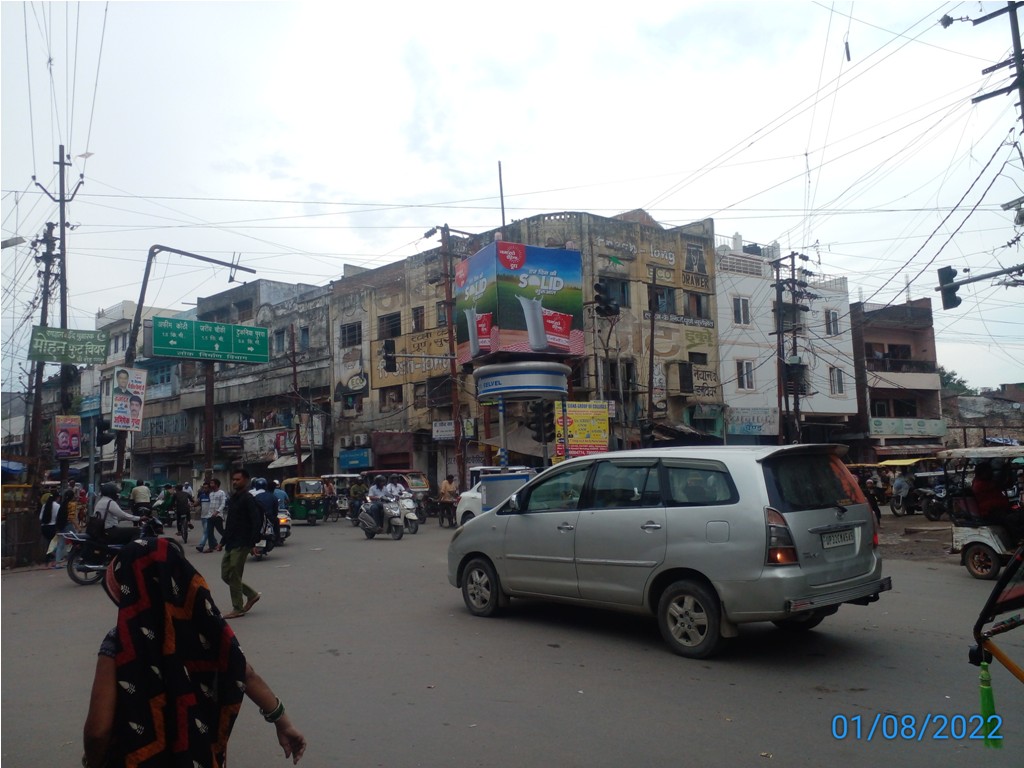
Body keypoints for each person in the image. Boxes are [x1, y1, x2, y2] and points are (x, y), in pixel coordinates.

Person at [82, 538, 306, 767]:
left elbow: (98, 732)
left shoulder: (120, 641)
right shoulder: (203, 630)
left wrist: (92, 762)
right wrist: (283, 722)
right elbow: (245, 672)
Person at [221, 469, 264, 619]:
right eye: (233, 479)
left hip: (243, 543)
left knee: (234, 574)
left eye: (238, 479)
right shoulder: (233, 498)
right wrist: (222, 541)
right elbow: (230, 522)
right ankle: (251, 594)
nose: (234, 482)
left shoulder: (248, 498)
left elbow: (256, 521)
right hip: (231, 543)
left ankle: (237, 608)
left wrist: (253, 543)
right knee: (225, 575)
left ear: (245, 481)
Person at [972, 461, 1024, 541]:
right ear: (982, 473)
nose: (991, 473)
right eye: (988, 471)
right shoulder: (980, 484)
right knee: (1012, 519)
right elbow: (999, 484)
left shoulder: (987, 482)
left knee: (1020, 514)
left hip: (1000, 509)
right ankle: (1018, 540)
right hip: (990, 513)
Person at [251, 477, 279, 543]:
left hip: (257, 517)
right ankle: (277, 539)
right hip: (269, 517)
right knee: (277, 521)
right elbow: (275, 511)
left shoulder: (257, 496)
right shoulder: (274, 497)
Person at [39, 491, 60, 563]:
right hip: (52, 527)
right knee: (56, 544)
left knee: (49, 543)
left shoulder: (44, 505)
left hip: (44, 528)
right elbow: (58, 518)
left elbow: (40, 518)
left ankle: (48, 559)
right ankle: (51, 558)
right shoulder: (57, 506)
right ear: (57, 498)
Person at [195, 481, 216, 553]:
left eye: (206, 488)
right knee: (209, 531)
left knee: (206, 532)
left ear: (209, 488)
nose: (205, 489)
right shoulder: (202, 496)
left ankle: (201, 545)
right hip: (203, 516)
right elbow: (197, 503)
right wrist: (192, 504)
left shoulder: (212, 496)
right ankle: (215, 544)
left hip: (209, 517)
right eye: (204, 488)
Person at [208, 477, 227, 551]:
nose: (210, 484)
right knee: (209, 532)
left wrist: (217, 512)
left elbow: (223, 504)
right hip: (210, 515)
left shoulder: (221, 492)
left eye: (212, 483)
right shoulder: (211, 494)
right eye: (210, 483)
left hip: (218, 515)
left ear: (216, 484)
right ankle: (211, 547)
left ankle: (229, 541)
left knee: (221, 531)